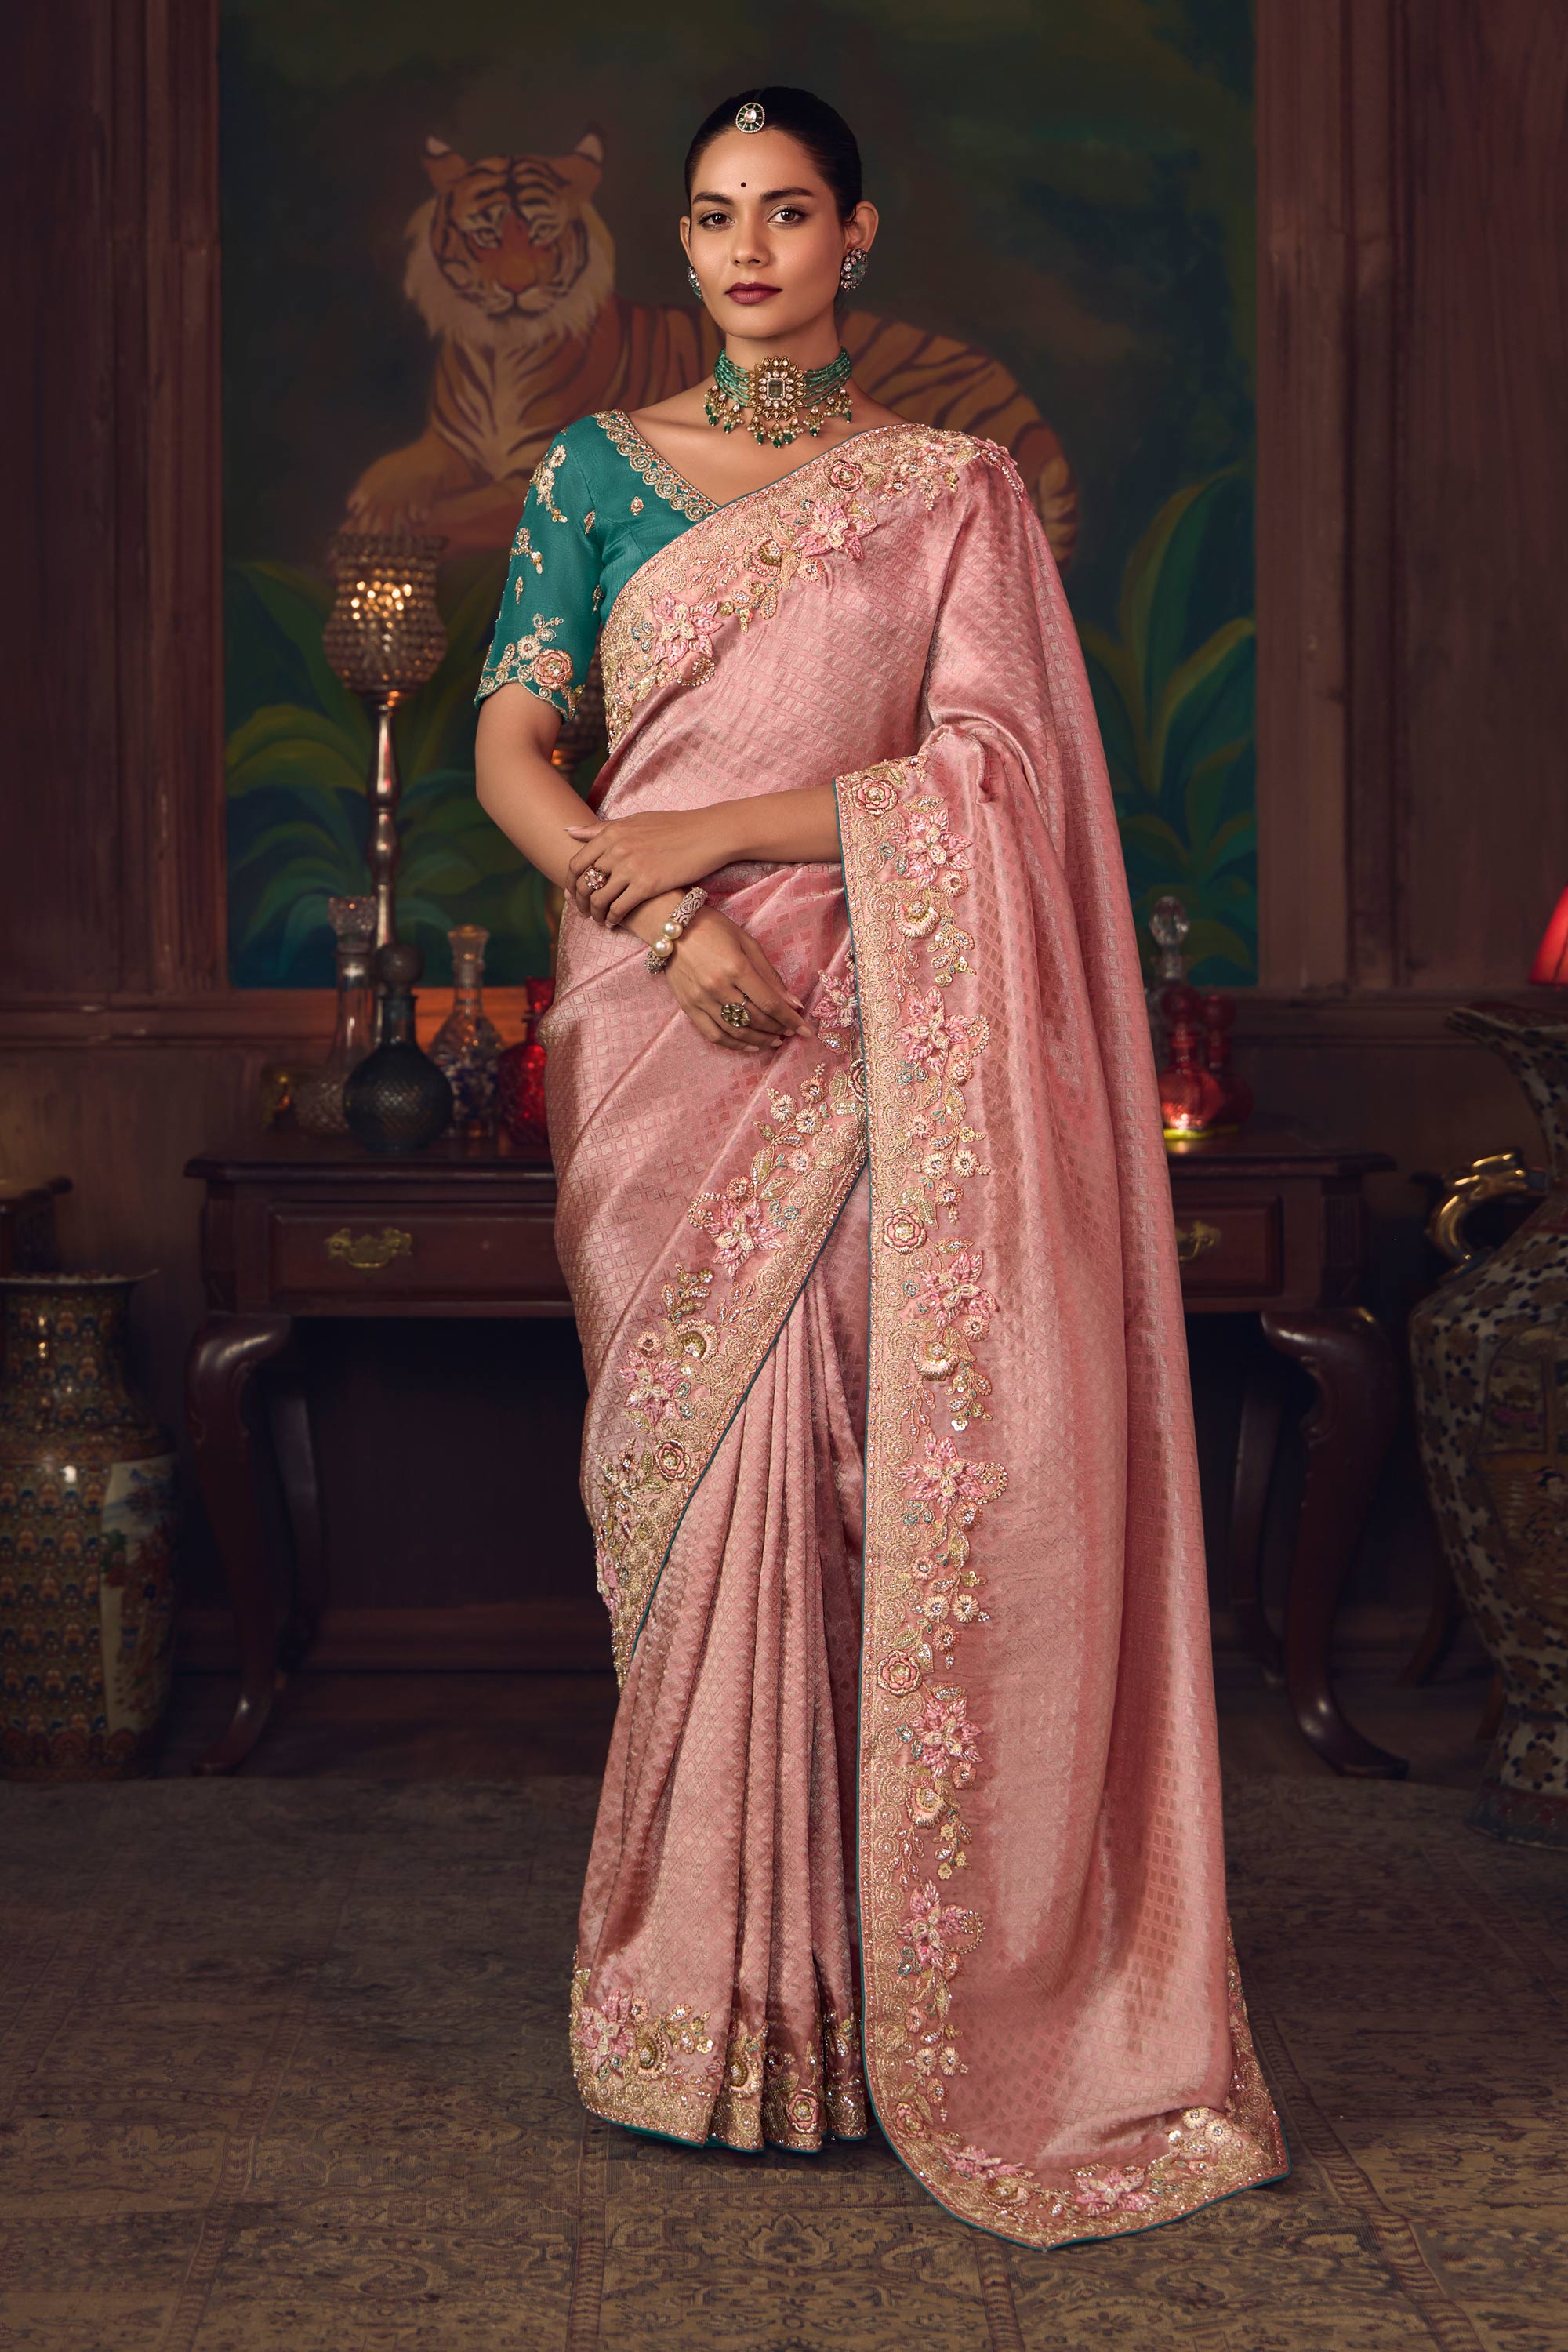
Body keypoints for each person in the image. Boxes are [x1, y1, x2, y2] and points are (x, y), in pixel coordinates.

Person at [473, 83, 1286, 2250]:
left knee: (846, 1455)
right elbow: (513, 745)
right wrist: (656, 915)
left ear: (858, 239)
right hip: (659, 1027)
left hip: (874, 1026)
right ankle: (711, 2006)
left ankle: (856, 2000)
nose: (746, 249)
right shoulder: (594, 474)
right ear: (684, 244)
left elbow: (998, 775)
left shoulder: (947, 494)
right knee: (694, 1481)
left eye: (787, 212)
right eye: (713, 216)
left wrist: (723, 837)